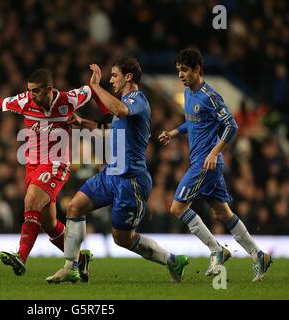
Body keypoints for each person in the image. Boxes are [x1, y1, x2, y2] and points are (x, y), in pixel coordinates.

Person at [0, 69, 104, 280]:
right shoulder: (24, 101)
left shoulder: (69, 99)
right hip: (32, 166)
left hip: (56, 162)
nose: (31, 95)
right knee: (49, 223)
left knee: (31, 201)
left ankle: (21, 256)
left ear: (49, 90)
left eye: (36, 91)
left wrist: (101, 101)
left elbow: (92, 90)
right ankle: (80, 260)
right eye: (29, 91)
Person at [46, 57, 189, 284]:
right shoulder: (123, 104)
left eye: (114, 75)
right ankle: (71, 267)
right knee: (75, 206)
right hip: (111, 174)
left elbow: (121, 111)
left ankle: (173, 260)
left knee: (122, 239)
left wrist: (94, 87)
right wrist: (83, 122)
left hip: (130, 180)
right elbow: (110, 129)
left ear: (128, 77)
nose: (111, 80)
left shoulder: (137, 99)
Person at [158, 48, 272, 282]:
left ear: (198, 70)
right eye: (178, 70)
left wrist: (214, 152)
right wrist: (174, 132)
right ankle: (258, 255)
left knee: (177, 208)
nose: (180, 75)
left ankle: (216, 249)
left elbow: (232, 126)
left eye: (185, 70)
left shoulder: (210, 96)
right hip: (205, 163)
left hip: (205, 163)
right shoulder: (188, 93)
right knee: (222, 213)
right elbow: (193, 122)